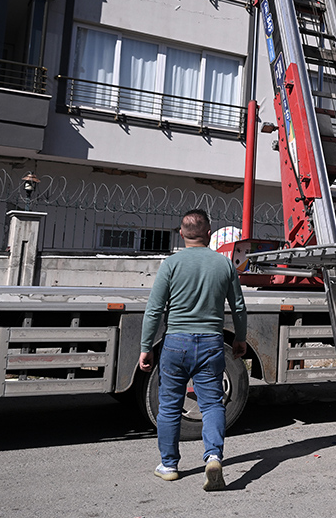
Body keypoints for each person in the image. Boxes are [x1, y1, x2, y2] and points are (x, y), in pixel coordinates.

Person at [139, 209, 248, 491]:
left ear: (181, 233)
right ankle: (213, 456)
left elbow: (154, 310)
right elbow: (238, 306)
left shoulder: (171, 264)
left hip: (176, 342)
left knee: (170, 406)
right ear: (209, 234)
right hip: (211, 342)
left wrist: (146, 347)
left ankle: (169, 465)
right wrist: (240, 338)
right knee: (212, 403)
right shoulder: (224, 265)